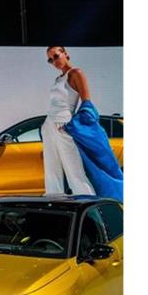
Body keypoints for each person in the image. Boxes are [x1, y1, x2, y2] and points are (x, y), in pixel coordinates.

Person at [42, 46, 95, 196]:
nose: (54, 61)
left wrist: (72, 125)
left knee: (74, 172)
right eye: (50, 60)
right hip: (49, 125)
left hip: (64, 124)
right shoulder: (58, 78)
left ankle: (91, 210)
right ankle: (55, 205)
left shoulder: (76, 73)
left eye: (56, 56)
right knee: (52, 172)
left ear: (66, 54)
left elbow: (87, 103)